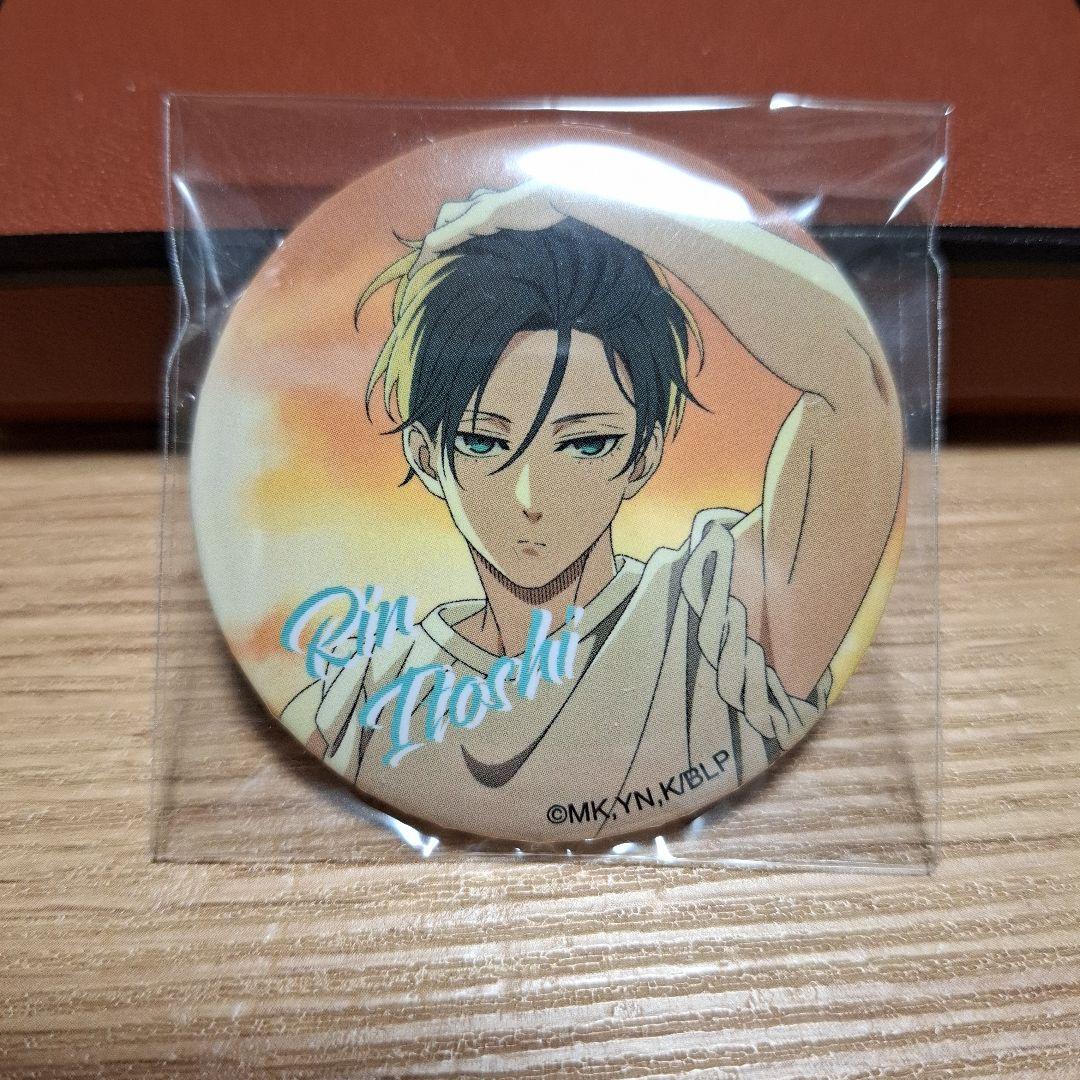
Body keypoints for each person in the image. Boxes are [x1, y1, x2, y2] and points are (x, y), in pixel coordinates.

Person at [280, 166, 904, 842]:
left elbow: (857, 375)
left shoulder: (717, 621)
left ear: (644, 454)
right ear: (427, 455)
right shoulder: (368, 695)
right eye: (484, 442)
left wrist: (596, 200)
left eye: (585, 444)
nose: (530, 497)